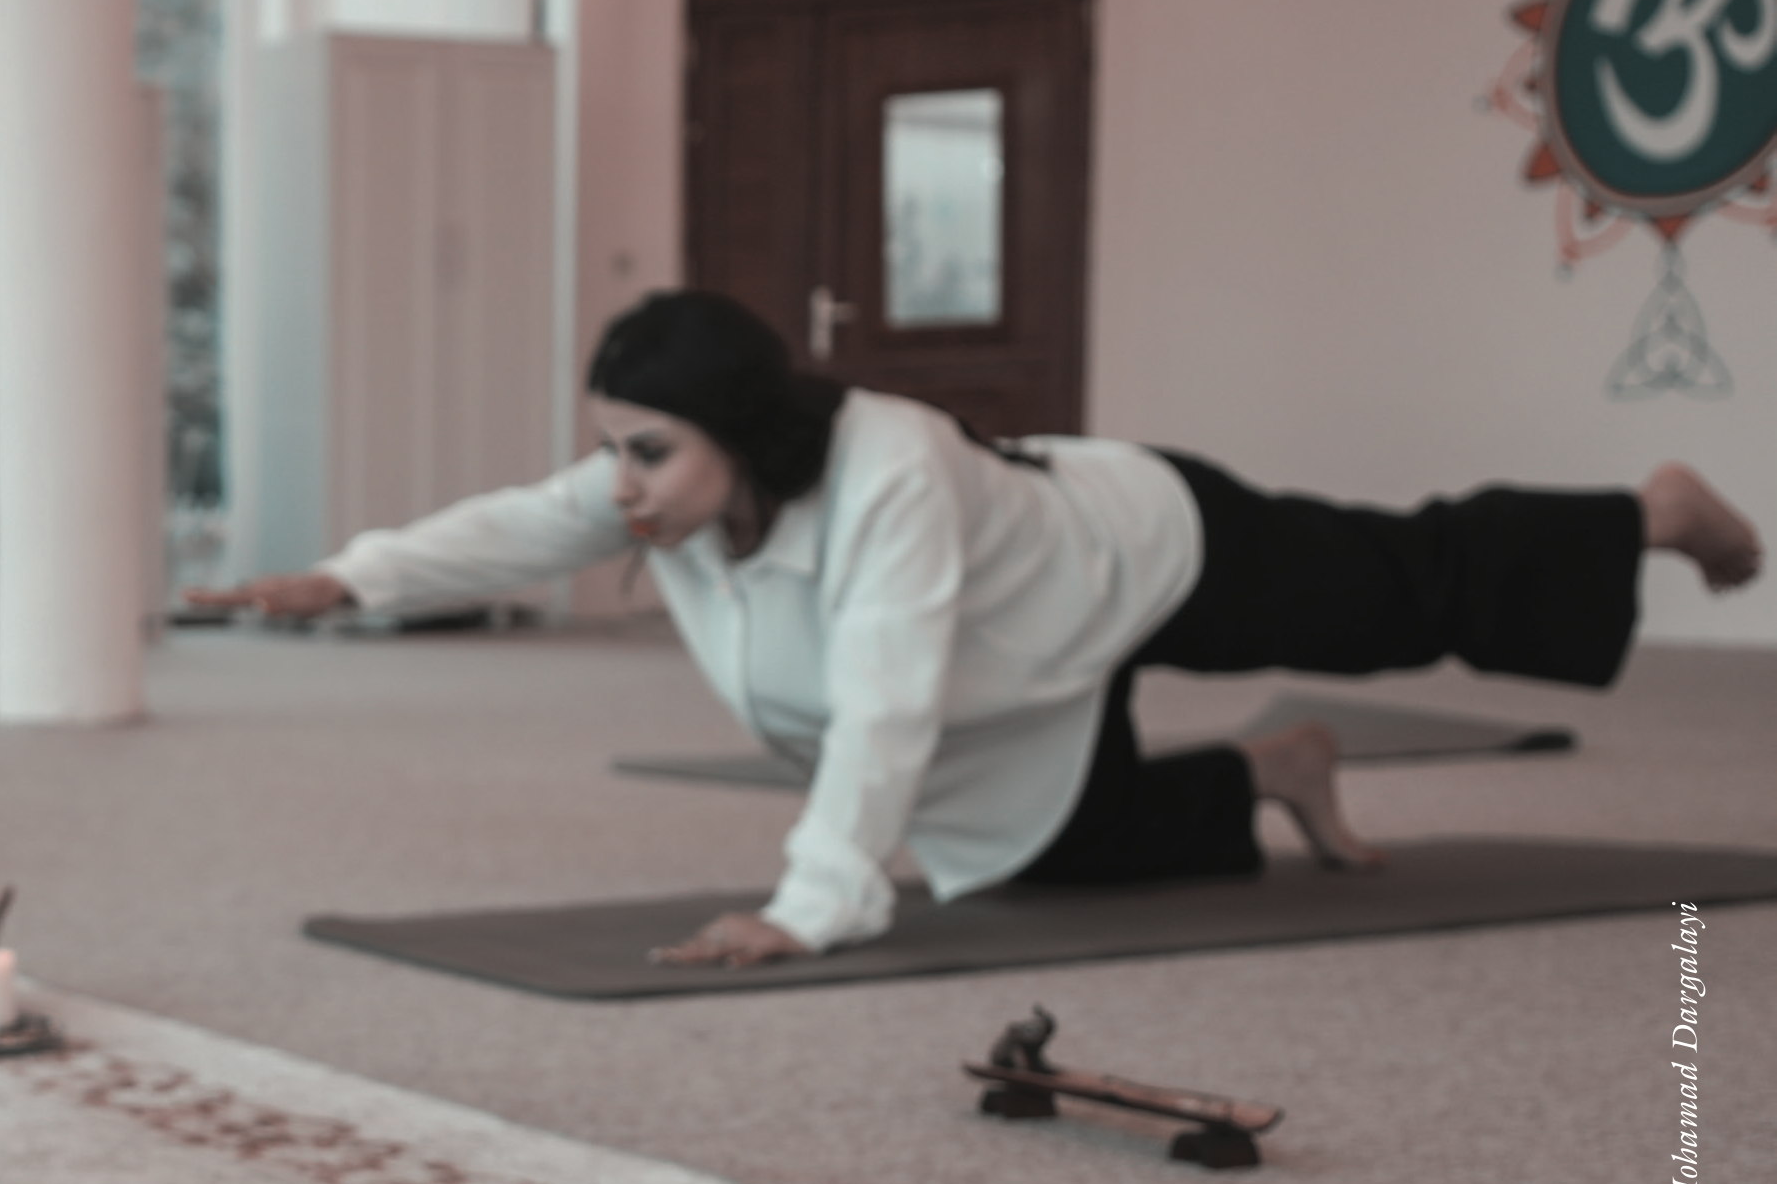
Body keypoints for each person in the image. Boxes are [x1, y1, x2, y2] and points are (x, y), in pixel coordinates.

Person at [190, 290, 1763, 967]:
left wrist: (809, 907)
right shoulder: (670, 487)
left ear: (736, 427)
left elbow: (884, 701)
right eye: (611, 448)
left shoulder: (890, 470)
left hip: (1145, 548)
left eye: (645, 450)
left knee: (1397, 593)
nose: (618, 483)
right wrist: (348, 580)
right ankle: (1272, 769)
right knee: (1065, 860)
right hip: (1024, 671)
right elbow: (516, 525)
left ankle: (1647, 511)